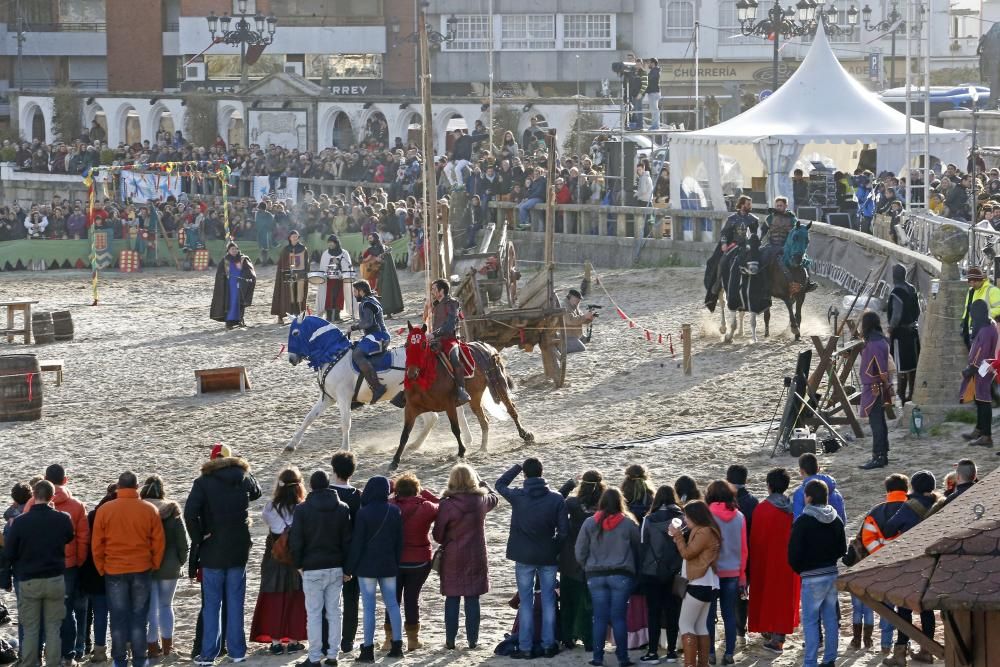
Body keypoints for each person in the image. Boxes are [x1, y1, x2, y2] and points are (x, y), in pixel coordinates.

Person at [184, 444, 262, 665]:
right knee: (236, 602)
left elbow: (190, 514)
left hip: (213, 549)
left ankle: (208, 654)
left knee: (212, 605)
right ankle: (237, 651)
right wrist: (244, 467)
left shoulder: (202, 483)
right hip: (239, 548)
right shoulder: (243, 476)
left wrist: (199, 537)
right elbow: (257, 492)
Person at [496, 458, 568, 660]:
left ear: (526, 475)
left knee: (526, 602)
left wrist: (517, 467)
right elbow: (563, 532)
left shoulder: (518, 496)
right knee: (548, 600)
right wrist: (554, 547)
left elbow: (500, 484)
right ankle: (548, 645)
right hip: (547, 555)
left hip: (524, 556)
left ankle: (526, 647)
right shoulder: (556, 498)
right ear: (542, 472)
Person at [92, 472, 166, 667]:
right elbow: (158, 542)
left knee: (117, 618)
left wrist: (101, 567)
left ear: (118, 487)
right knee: (139, 618)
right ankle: (140, 660)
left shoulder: (105, 510)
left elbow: (97, 544)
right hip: (141, 568)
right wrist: (154, 564)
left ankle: (119, 661)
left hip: (114, 570)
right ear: (137, 486)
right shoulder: (149, 509)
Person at [21, 464, 89, 667]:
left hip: (37, 565)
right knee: (66, 612)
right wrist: (79, 561)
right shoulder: (76, 505)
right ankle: (67, 656)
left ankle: (38, 655)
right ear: (65, 480)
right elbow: (83, 538)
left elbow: (25, 533)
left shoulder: (32, 503)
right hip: (67, 565)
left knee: (39, 613)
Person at [3, 480, 75, 667]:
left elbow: (9, 553)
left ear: (33, 496)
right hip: (54, 579)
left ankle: (30, 663)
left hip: (29, 580)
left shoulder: (20, 522)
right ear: (52, 497)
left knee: (31, 628)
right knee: (53, 627)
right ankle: (52, 663)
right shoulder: (63, 519)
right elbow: (69, 537)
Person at [432, 464, 499, 650]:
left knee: (452, 598)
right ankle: (472, 640)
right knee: (472, 598)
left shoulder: (446, 504)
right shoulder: (481, 500)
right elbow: (495, 497)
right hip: (476, 554)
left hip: (453, 555)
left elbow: (437, 536)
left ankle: (450, 640)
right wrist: (482, 480)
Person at [290, 470, 352, 667]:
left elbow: (296, 540)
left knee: (314, 614)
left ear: (311, 486)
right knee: (334, 612)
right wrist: (348, 569)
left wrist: (299, 564)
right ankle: (333, 656)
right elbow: (347, 542)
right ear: (328, 485)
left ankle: (315, 657)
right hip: (335, 567)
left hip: (312, 568)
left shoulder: (302, 510)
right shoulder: (342, 508)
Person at [575, 488, 640, 667]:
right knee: (619, 618)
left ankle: (597, 657)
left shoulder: (589, 523)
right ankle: (622, 658)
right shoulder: (627, 523)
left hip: (595, 575)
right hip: (621, 574)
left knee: (600, 617)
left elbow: (579, 551)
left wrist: (587, 567)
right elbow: (638, 547)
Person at [883, 471, 940, 665]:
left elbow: (889, 528)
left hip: (910, 562)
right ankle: (927, 650)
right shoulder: (940, 505)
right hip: (934, 563)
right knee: (927, 608)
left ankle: (900, 653)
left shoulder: (908, 507)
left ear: (913, 488)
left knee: (904, 606)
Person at [788, 480, 847, 667]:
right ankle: (830, 659)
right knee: (830, 619)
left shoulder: (803, 521)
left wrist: (801, 570)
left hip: (811, 576)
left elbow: (794, 553)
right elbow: (842, 549)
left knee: (811, 621)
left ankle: (810, 662)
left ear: (809, 498)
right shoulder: (836, 519)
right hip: (831, 573)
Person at [345, 477, 403, 663]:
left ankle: (368, 649)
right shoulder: (395, 511)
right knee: (392, 605)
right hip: (388, 565)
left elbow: (358, 544)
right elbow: (399, 542)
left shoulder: (363, 513)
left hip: (366, 567)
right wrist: (395, 562)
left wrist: (349, 568)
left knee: (369, 608)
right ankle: (397, 646)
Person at [249, 468, 307, 656]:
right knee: (295, 597)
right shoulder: (303, 508)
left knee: (274, 597)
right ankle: (293, 640)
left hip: (275, 556)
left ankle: (275, 642)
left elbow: (268, 522)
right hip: (296, 559)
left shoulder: (270, 507)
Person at [747, 468, 799, 654]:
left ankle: (770, 633)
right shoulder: (792, 509)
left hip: (766, 560)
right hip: (787, 562)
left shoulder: (761, 509)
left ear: (768, 486)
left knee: (766, 595)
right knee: (783, 599)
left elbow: (756, 540)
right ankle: (779, 638)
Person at [140, 475, 189, 661]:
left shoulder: (141, 508)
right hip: (170, 566)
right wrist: (180, 561)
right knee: (166, 606)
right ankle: (168, 647)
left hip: (147, 565)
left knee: (151, 609)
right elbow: (183, 542)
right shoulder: (172, 509)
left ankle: (152, 648)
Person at [389, 473, 438, 652]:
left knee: (392, 600)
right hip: (419, 560)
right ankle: (412, 640)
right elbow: (441, 503)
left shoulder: (391, 506)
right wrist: (424, 492)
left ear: (397, 491)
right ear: (416, 490)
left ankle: (389, 639)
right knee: (412, 599)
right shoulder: (426, 507)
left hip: (395, 560)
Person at [557, 471, 606, 653]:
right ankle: (589, 639)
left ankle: (568, 637)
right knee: (589, 602)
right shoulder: (604, 507)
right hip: (595, 559)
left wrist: (570, 483)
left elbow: (555, 500)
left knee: (569, 600)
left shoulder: (572, 504)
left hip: (571, 558)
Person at [670, 499, 721, 667]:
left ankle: (691, 664)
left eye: (687, 516)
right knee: (699, 626)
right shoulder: (707, 530)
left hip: (698, 584)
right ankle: (702, 664)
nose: (685, 519)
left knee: (685, 624)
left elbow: (687, 553)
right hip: (708, 584)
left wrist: (677, 535)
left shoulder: (704, 532)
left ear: (695, 516)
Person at [638, 486, 684, 664]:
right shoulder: (682, 519)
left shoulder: (648, 519)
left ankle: (652, 652)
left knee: (653, 612)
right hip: (674, 571)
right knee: (672, 611)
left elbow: (642, 546)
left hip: (651, 571)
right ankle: (672, 651)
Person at [704, 481, 747, 666]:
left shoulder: (707, 515)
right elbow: (744, 549)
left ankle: (710, 653)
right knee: (729, 614)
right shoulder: (740, 517)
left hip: (712, 572)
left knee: (709, 616)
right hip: (733, 571)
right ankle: (729, 653)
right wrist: (742, 574)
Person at [80, 484, 118, 665]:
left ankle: (100, 649)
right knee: (119, 612)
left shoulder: (94, 514)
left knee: (100, 613)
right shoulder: (124, 513)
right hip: (119, 569)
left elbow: (88, 543)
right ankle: (121, 647)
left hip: (96, 570)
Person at [330, 452, 362, 655]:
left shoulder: (326, 492)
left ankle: (328, 641)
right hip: (351, 556)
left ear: (334, 470)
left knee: (329, 603)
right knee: (351, 601)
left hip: (329, 555)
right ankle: (348, 641)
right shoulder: (357, 496)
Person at [724, 465, 757, 645]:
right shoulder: (753, 501)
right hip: (749, 554)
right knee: (743, 593)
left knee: (730, 596)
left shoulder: (724, 502)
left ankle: (736, 630)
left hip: (729, 555)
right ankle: (741, 631)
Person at [961, 299, 998, 447]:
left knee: (984, 401)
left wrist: (972, 369)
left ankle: (986, 436)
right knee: (979, 399)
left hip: (983, 369)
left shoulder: (986, 330)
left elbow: (982, 353)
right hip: (982, 368)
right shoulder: (987, 326)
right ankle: (979, 429)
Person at [859, 311, 894, 469]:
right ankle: (883, 454)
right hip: (878, 387)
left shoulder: (874, 344)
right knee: (880, 422)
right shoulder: (880, 340)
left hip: (874, 388)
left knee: (877, 424)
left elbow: (881, 371)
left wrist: (887, 386)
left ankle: (879, 456)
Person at [429, 278, 470, 405]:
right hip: (436, 339)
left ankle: (461, 389)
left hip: (450, 340)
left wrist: (433, 334)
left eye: (434, 289)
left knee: (454, 358)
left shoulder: (453, 303)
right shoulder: (435, 305)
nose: (432, 292)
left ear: (441, 290)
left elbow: (449, 326)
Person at [348, 280, 391, 403]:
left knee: (357, 354)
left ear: (361, 291)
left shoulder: (367, 303)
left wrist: (353, 327)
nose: (354, 294)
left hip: (379, 336)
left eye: (355, 291)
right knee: (352, 350)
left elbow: (368, 323)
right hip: (373, 336)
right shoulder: (368, 300)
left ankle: (378, 388)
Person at [886, 264, 921, 405]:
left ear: (894, 277)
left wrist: (890, 329)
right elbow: (918, 311)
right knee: (913, 365)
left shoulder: (896, 293)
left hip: (901, 335)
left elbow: (896, 315)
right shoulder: (912, 289)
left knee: (901, 366)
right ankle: (911, 393)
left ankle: (901, 394)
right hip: (913, 331)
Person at [210, 242, 256, 330]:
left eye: (236, 249)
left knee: (240, 303)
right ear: (228, 251)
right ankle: (229, 323)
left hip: (241, 285)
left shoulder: (243, 259)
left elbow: (249, 271)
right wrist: (224, 276)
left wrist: (244, 277)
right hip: (230, 287)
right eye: (232, 249)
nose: (234, 251)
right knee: (231, 304)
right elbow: (220, 274)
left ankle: (240, 320)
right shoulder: (225, 261)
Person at [792, 454, 846, 522]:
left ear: (801, 471)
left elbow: (797, 521)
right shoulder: (836, 493)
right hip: (834, 529)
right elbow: (843, 521)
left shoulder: (800, 493)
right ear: (818, 468)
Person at [271, 230, 310, 325]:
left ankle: (300, 315)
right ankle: (282, 316)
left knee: (299, 296)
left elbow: (306, 263)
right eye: (293, 236)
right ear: (289, 238)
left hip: (300, 275)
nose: (295, 238)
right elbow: (282, 264)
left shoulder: (303, 249)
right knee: (288, 296)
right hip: (288, 275)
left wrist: (306, 274)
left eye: (296, 236)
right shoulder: (286, 250)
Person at [315, 235, 353, 322]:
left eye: (332, 242)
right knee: (328, 297)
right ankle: (329, 316)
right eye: (329, 243)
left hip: (340, 280)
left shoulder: (344, 253)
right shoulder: (325, 254)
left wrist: (342, 273)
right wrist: (326, 274)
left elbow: (347, 266)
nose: (330, 244)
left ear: (336, 243)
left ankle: (336, 315)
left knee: (339, 296)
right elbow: (323, 268)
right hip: (329, 280)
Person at [960, 266, 1000, 348]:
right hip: (972, 332)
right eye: (970, 282)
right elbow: (968, 310)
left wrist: (984, 315)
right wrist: (964, 324)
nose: (972, 284)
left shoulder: (992, 290)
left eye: (975, 282)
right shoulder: (971, 291)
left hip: (987, 331)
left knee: (984, 358)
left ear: (981, 280)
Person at [564, 289, 596, 353]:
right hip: (567, 336)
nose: (578, 302)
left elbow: (581, 320)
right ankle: (560, 348)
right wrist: (585, 316)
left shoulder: (574, 306)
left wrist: (590, 318)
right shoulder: (564, 307)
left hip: (576, 335)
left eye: (579, 301)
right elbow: (571, 321)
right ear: (571, 297)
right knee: (582, 348)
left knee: (587, 341)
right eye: (577, 300)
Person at [645, 58, 661, 130]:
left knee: (654, 110)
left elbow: (650, 79)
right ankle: (655, 125)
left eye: (649, 63)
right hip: (653, 92)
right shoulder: (654, 71)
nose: (648, 64)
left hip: (654, 92)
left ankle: (655, 125)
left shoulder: (655, 71)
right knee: (653, 109)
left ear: (653, 63)